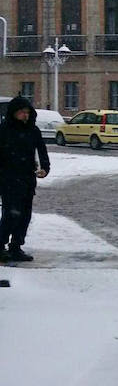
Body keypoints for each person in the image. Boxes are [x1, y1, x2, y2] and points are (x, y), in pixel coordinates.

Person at [0, 96, 50, 262]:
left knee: (24, 216)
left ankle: (16, 246)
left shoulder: (32, 130)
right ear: (14, 113)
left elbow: (42, 151)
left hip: (27, 180)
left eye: (27, 112)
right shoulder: (4, 130)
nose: (25, 115)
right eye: (21, 112)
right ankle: (0, 245)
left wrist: (45, 168)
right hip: (8, 180)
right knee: (11, 214)